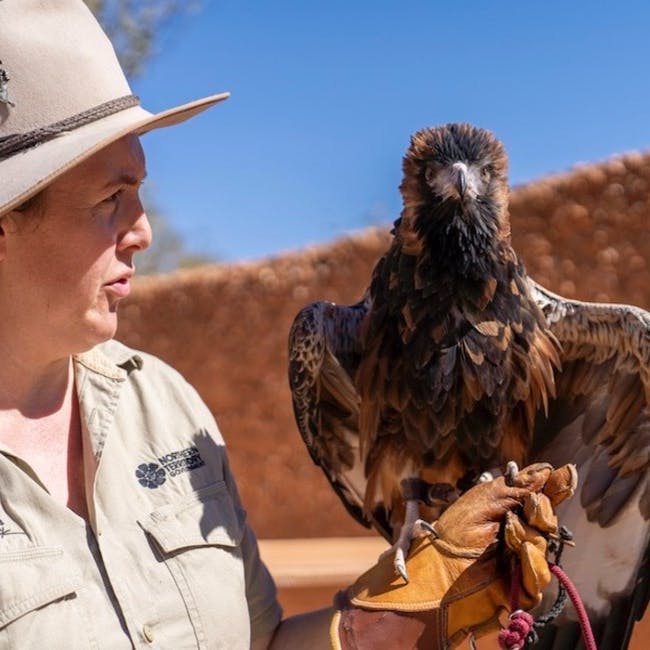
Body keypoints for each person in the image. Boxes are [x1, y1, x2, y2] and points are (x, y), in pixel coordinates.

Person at [0, 2, 574, 648]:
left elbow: (257, 640)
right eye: (111, 200)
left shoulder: (160, 406)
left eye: (140, 195)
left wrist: (380, 624)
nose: (145, 231)